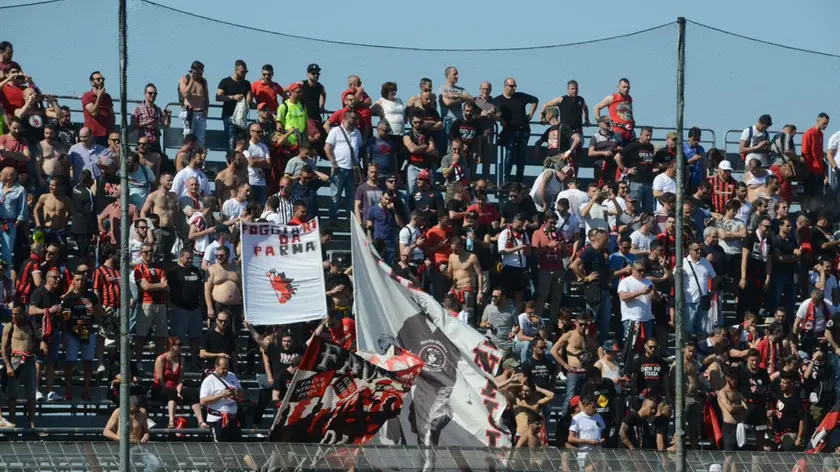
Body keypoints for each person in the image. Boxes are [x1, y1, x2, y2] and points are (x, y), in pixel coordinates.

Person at [61, 271, 102, 400]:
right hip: (72, 332)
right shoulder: (68, 298)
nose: (80, 282)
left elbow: (98, 313)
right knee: (70, 362)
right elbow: (65, 318)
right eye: (77, 280)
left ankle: (86, 390)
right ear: (73, 281)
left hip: (87, 332)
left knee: (88, 362)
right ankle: (68, 390)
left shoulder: (91, 296)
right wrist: (64, 335)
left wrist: (92, 308)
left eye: (82, 280)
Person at [151, 337, 207, 430]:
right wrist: (174, 392)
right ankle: (171, 421)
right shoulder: (161, 359)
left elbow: (180, 380)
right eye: (179, 344)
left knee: (192, 393)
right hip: (160, 388)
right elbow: (159, 379)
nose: (181, 347)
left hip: (175, 388)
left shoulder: (181, 360)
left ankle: (201, 421)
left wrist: (178, 392)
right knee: (171, 393)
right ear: (171, 346)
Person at [494, 77, 538, 187]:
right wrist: (500, 119)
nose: (514, 88)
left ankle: (519, 181)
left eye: (515, 86)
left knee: (521, 156)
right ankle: (506, 179)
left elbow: (535, 100)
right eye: (511, 86)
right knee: (509, 153)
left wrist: (530, 115)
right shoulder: (498, 100)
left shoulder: (520, 96)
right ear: (505, 86)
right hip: (509, 131)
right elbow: (494, 112)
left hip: (523, 130)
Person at [551, 312, 596, 419]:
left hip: (586, 372)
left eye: (586, 324)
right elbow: (553, 351)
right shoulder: (569, 335)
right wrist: (565, 365)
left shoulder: (589, 336)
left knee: (587, 398)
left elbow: (595, 350)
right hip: (574, 372)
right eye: (581, 324)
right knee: (570, 398)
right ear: (575, 323)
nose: (583, 327)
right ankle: (564, 421)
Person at [1, 301, 38, 428]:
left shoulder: (31, 325)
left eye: (17, 314)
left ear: (24, 313)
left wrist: (42, 344)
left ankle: (32, 423)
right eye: (13, 314)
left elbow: (37, 339)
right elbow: (3, 348)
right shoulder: (9, 327)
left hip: (29, 362)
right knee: (13, 395)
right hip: (14, 361)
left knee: (31, 395)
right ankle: (12, 421)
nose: (14, 316)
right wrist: (8, 366)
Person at [133, 243, 169, 369]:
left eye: (151, 252)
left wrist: (153, 286)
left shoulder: (159, 268)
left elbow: (165, 285)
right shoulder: (139, 269)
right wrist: (159, 286)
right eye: (146, 252)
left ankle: (158, 363)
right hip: (146, 304)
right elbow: (145, 287)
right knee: (141, 335)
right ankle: (138, 361)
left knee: (161, 336)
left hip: (160, 304)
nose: (148, 255)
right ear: (141, 253)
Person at [325, 110, 363, 224]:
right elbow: (327, 148)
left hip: (352, 169)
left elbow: (359, 148)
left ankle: (349, 219)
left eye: (355, 118)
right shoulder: (335, 131)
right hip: (339, 168)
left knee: (351, 196)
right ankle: (333, 218)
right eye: (352, 118)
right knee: (335, 194)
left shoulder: (357, 133)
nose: (354, 120)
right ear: (345, 119)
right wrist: (333, 162)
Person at [216, 60, 252, 152]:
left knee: (242, 139)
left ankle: (240, 158)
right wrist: (233, 97)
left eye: (246, 72)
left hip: (241, 117)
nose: (244, 74)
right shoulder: (225, 82)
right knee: (231, 139)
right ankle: (231, 158)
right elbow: (218, 97)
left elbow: (249, 97)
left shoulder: (246, 83)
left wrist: (248, 103)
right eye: (242, 72)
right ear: (236, 70)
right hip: (229, 115)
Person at [513, 379, 554, 448]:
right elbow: (506, 389)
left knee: (533, 457)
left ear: (532, 392)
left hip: (532, 436)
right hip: (519, 435)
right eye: (523, 390)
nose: (524, 393)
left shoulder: (536, 404)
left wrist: (538, 389)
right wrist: (520, 384)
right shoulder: (517, 400)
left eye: (527, 391)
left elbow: (551, 395)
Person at [594, 78, 635, 145]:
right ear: (618, 87)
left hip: (629, 131)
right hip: (617, 131)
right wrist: (599, 122)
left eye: (628, 87)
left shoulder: (629, 98)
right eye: (624, 87)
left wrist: (632, 120)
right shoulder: (612, 98)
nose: (626, 89)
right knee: (620, 152)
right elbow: (597, 108)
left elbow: (630, 111)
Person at [81, 71, 115, 146]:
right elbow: (94, 113)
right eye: (98, 79)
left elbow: (112, 114)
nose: (101, 81)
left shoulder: (107, 97)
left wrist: (112, 130)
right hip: (93, 135)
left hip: (106, 135)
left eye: (103, 79)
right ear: (92, 82)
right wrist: (99, 97)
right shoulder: (87, 96)